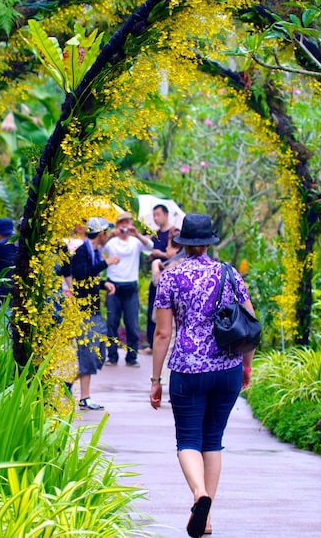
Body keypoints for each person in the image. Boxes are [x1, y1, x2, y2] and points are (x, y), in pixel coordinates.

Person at [148, 213, 255, 538]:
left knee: (189, 439)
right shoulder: (229, 273)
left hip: (187, 369)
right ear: (209, 241)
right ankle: (206, 520)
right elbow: (249, 320)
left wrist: (156, 380)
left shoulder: (171, 277)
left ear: (182, 243)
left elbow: (162, 333)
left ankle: (199, 495)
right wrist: (246, 365)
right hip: (227, 369)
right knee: (213, 440)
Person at [69, 216, 119, 410]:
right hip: (83, 311)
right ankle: (85, 397)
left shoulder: (94, 252)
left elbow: (88, 278)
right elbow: (80, 275)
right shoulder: (82, 251)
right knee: (89, 353)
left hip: (93, 310)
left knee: (98, 352)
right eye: (106, 233)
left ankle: (66, 384)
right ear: (101, 234)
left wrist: (102, 284)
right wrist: (106, 263)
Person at [101, 212, 153, 367]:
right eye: (121, 223)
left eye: (127, 223)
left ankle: (132, 357)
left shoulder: (135, 242)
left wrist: (136, 234)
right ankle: (112, 357)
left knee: (132, 324)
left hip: (130, 287)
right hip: (113, 287)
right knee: (112, 323)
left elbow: (150, 247)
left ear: (131, 224)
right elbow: (100, 247)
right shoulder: (112, 242)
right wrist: (110, 235)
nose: (124, 226)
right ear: (117, 225)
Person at [145, 203, 180, 352]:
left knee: (162, 318)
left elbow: (173, 255)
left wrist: (158, 260)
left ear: (166, 214)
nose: (155, 218)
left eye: (158, 214)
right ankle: (152, 343)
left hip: (164, 277)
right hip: (161, 276)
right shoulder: (155, 233)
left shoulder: (174, 232)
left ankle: (159, 345)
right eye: (154, 215)